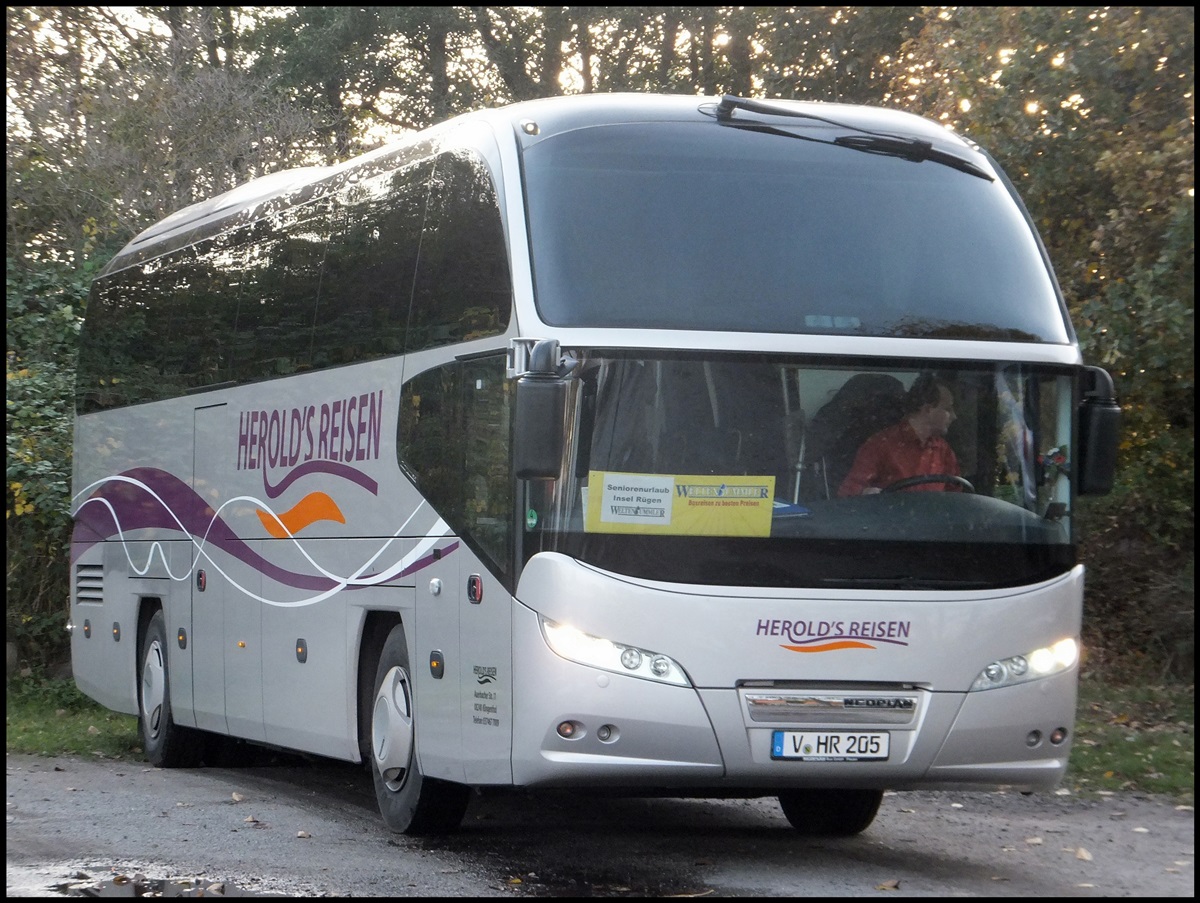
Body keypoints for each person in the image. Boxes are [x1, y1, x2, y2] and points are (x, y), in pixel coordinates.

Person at [837, 372, 961, 496]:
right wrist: (866, 493)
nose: (954, 416)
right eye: (947, 409)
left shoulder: (943, 449)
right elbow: (848, 493)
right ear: (928, 409)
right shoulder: (880, 445)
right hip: (892, 514)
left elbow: (956, 496)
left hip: (934, 515)